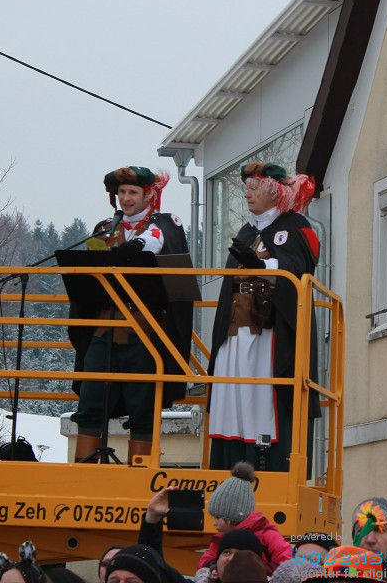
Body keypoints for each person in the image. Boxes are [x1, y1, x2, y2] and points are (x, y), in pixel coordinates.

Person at [69, 166, 193, 464]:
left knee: (143, 406)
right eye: (121, 192)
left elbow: (159, 240)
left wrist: (137, 246)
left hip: (144, 331)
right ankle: (82, 477)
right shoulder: (105, 227)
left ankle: (140, 478)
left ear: (148, 194)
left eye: (132, 192)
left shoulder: (164, 223)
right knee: (90, 401)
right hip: (104, 329)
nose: (126, 198)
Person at [207, 161, 320, 473]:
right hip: (235, 331)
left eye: (254, 187)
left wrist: (263, 267)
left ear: (276, 190)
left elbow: (299, 272)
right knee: (232, 399)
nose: (247, 193)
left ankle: (266, 464)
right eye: (246, 187)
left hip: (270, 333)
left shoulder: (297, 227)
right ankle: (229, 464)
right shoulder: (246, 232)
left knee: (262, 399)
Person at [196, 463, 289, 574]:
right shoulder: (221, 539)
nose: (214, 523)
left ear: (234, 516)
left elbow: (286, 561)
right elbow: (205, 559)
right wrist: (214, 567)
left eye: (218, 518)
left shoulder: (266, 534)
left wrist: (259, 572)